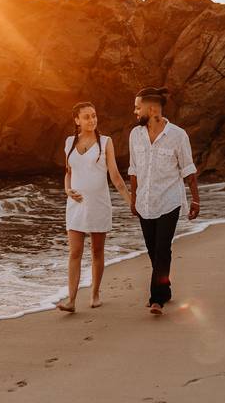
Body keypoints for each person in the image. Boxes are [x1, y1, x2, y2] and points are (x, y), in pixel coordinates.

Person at [129, 87, 200, 315]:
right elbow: (134, 169)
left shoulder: (178, 135)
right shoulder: (135, 135)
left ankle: (156, 298)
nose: (135, 111)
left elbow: (188, 169)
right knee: (153, 249)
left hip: (169, 200)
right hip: (145, 202)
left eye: (138, 107)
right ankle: (165, 287)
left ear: (151, 109)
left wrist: (195, 201)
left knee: (162, 248)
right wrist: (133, 199)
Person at [57, 101, 132, 312]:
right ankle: (71, 300)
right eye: (86, 117)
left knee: (97, 251)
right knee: (75, 252)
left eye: (94, 115)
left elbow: (115, 176)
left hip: (99, 204)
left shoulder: (105, 142)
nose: (92, 120)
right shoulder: (70, 142)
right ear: (77, 120)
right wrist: (67, 190)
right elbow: (68, 172)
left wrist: (130, 202)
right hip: (75, 205)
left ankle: (95, 293)